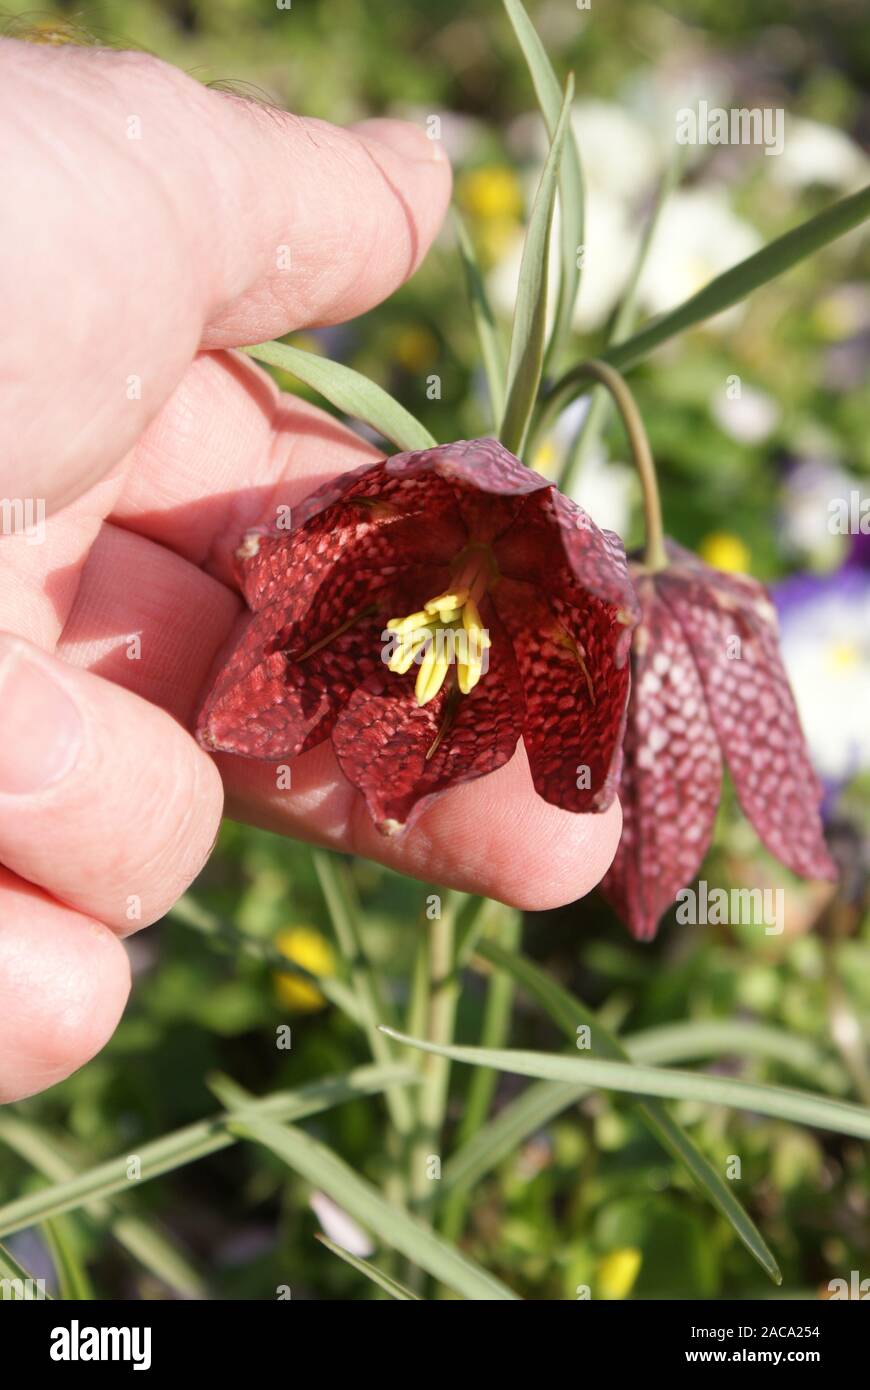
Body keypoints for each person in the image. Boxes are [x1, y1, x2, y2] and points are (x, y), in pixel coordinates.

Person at [0, 39, 621, 1101]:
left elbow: (566, 728)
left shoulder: (550, 601)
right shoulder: (382, 522)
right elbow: (286, 563)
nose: (450, 626)